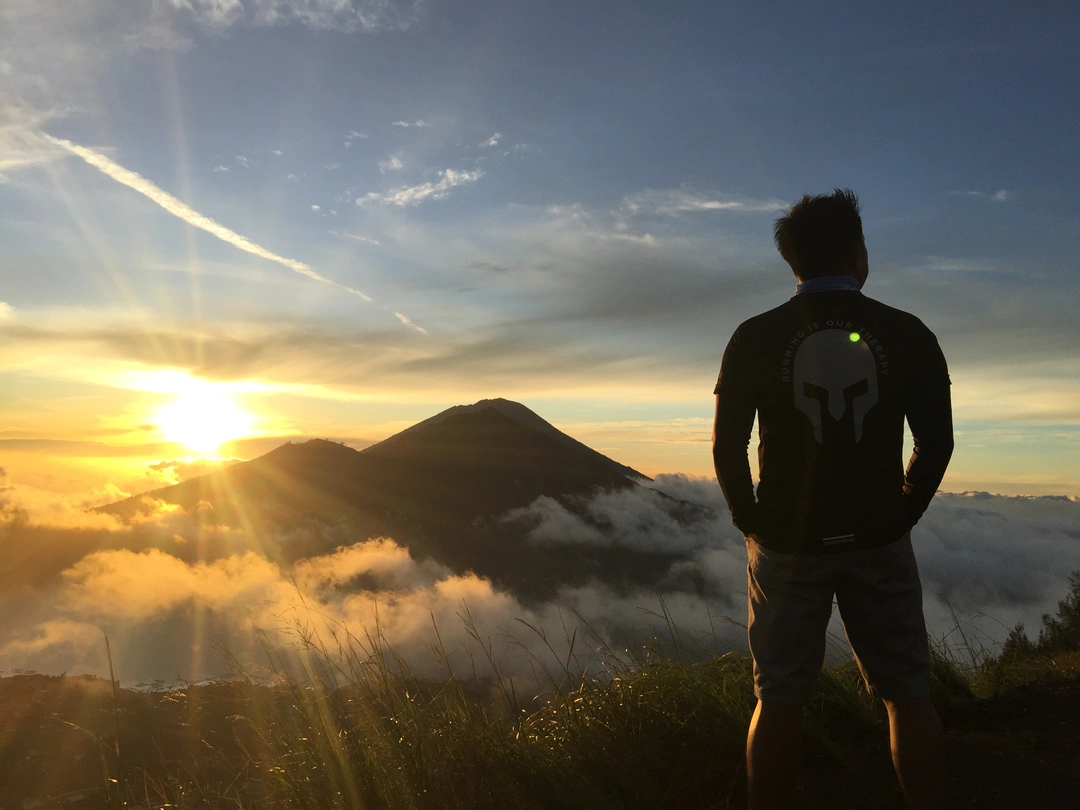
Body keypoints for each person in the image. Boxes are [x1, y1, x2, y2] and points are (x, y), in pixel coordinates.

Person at [712, 189, 953, 810]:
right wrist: (900, 514)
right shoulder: (907, 333)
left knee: (778, 700)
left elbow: (728, 446)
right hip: (879, 537)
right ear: (858, 251)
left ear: (792, 261)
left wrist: (752, 523)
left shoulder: (755, 337)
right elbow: (938, 441)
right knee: (908, 695)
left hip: (789, 541)